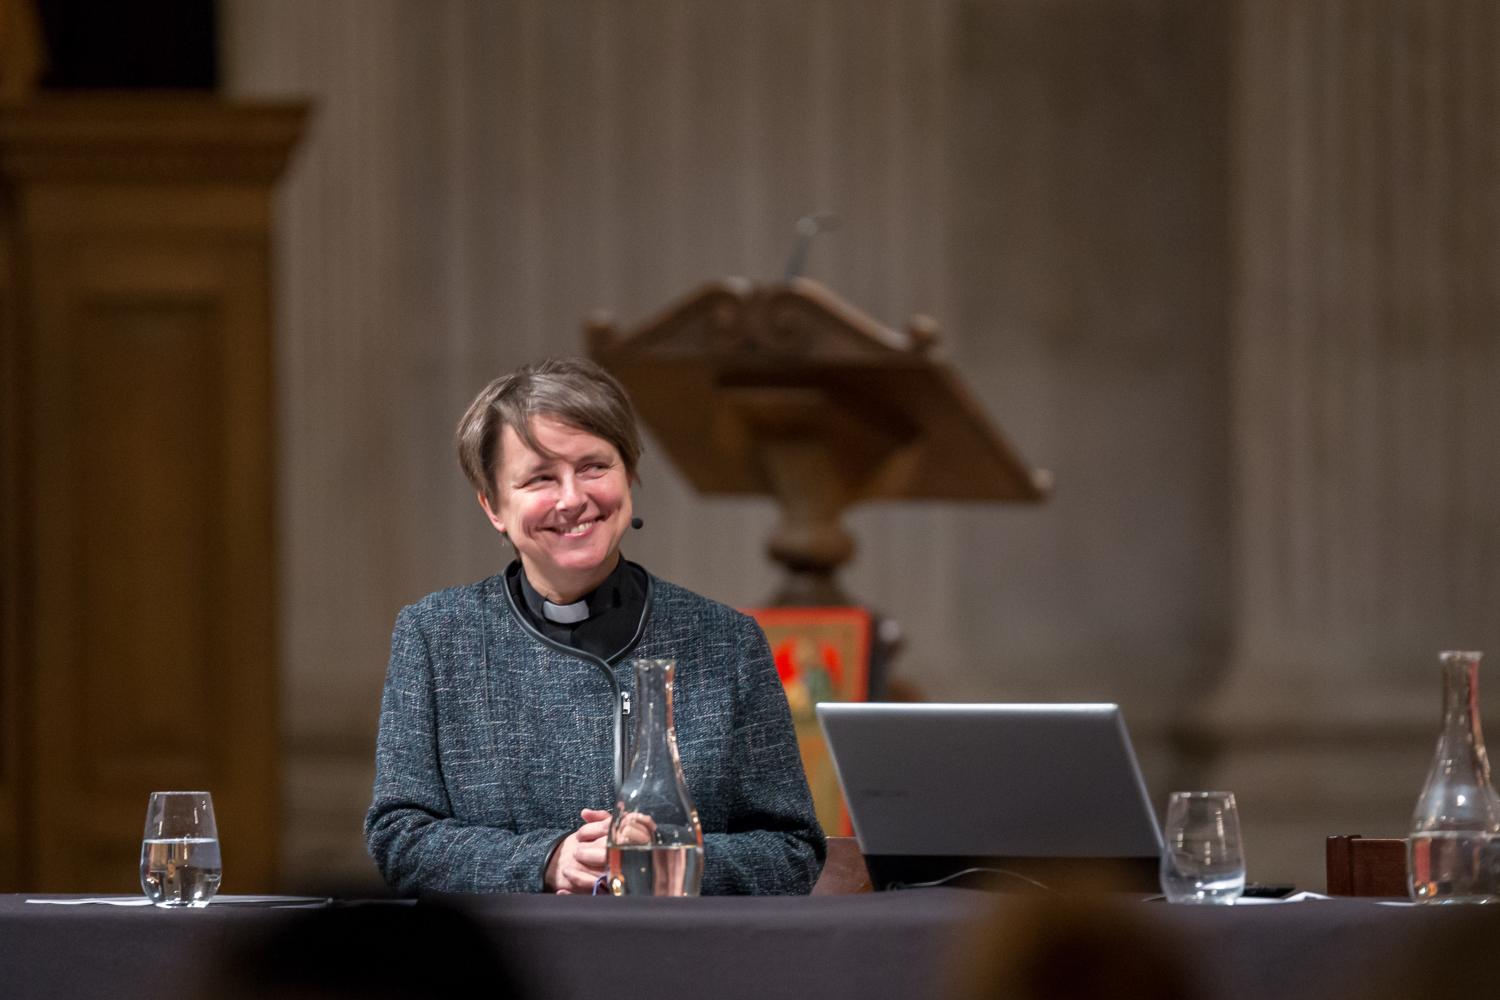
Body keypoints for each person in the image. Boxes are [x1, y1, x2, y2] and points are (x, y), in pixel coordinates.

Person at [365, 356, 825, 895]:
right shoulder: (436, 637)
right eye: (540, 477)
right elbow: (399, 839)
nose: (572, 498)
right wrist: (546, 860)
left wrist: (671, 860)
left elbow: (792, 851)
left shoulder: (727, 641)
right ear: (493, 506)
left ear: (629, 475)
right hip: (508, 969)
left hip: (683, 963)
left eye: (593, 467)